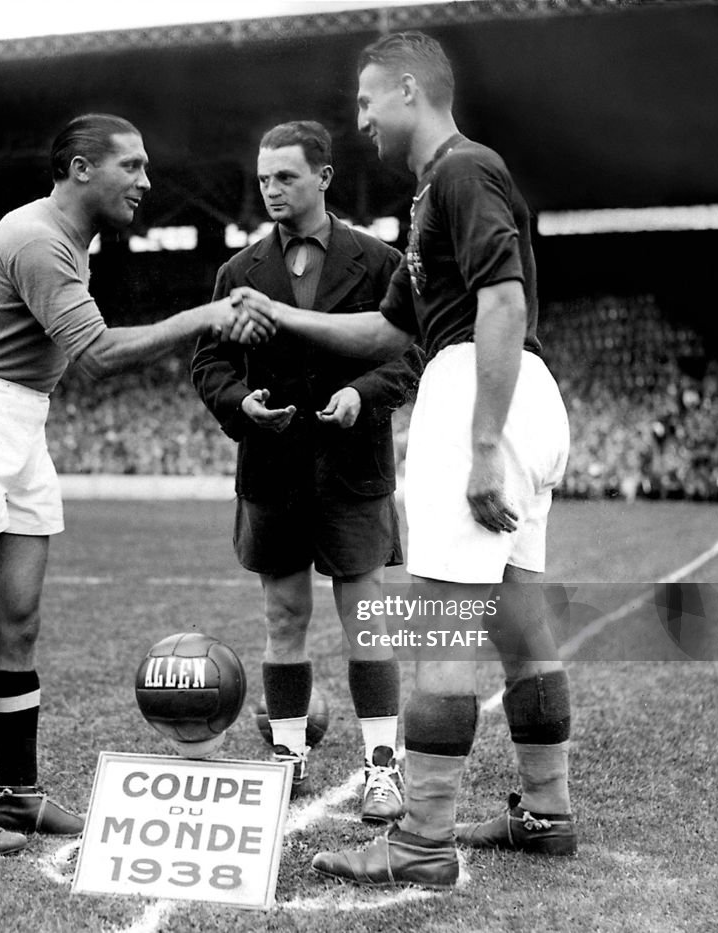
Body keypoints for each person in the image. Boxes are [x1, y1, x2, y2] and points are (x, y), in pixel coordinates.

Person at [235, 33, 576, 888]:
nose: (359, 120)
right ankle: (547, 811)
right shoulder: (431, 197)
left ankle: (420, 840)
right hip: (516, 387)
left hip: (480, 390)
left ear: (412, 89)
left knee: (441, 632)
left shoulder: (463, 171)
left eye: (367, 100)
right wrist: (281, 313)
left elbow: (504, 298)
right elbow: (384, 331)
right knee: (522, 624)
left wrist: (482, 442)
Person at [0, 113, 268, 857]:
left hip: (22, 421)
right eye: (130, 166)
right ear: (78, 169)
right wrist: (208, 317)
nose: (146, 181)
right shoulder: (38, 238)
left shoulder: (70, 242)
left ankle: (19, 794)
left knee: (19, 622)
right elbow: (97, 354)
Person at [191, 121, 422, 821]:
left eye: (286, 177)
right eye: (264, 179)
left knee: (366, 619)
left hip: (354, 468)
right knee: (283, 613)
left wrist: (362, 395)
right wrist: (242, 403)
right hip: (273, 469)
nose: (272, 189)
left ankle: (383, 765)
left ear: (323, 177)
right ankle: (287, 757)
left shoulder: (379, 261)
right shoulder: (238, 274)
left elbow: (407, 359)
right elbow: (208, 364)